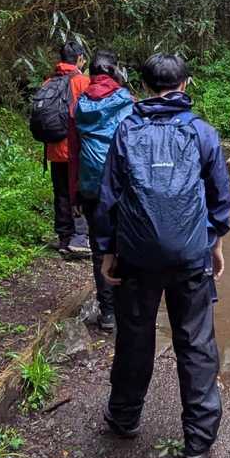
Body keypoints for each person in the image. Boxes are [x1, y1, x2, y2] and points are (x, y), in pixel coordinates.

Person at [96, 53, 230, 458]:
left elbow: (109, 197)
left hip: (135, 256)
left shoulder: (126, 131)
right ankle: (198, 441)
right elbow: (219, 196)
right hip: (190, 256)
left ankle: (124, 417)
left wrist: (107, 251)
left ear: (143, 88)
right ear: (184, 85)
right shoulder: (202, 132)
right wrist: (214, 242)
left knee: (134, 337)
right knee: (196, 342)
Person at [73, 49, 135, 332]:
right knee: (128, 242)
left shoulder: (80, 105)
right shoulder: (126, 102)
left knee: (100, 247)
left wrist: (75, 189)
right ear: (115, 71)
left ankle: (108, 312)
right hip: (122, 184)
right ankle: (128, 305)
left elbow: (74, 151)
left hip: (91, 185)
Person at [32, 38, 91, 255]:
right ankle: (80, 237)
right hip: (76, 149)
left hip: (54, 148)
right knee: (79, 191)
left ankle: (64, 237)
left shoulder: (48, 82)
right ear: (80, 59)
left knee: (61, 192)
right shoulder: (82, 82)